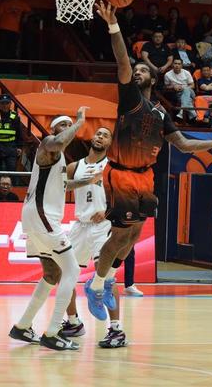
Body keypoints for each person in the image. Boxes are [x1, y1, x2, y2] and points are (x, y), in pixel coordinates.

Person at [84, 2, 212, 344]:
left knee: (133, 237)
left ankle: (108, 277)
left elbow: (182, 144)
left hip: (145, 177)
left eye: (142, 71)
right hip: (122, 174)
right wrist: (113, 26)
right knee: (119, 236)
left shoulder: (160, 113)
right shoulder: (129, 98)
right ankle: (97, 284)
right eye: (135, 70)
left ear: (154, 78)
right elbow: (122, 60)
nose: (136, 72)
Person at [9, 109, 90, 351]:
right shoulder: (48, 143)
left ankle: (22, 326)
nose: (67, 127)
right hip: (42, 216)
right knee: (72, 270)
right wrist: (79, 122)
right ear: (53, 129)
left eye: (69, 124)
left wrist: (88, 181)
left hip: (37, 217)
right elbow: (61, 141)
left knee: (52, 274)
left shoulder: (58, 158)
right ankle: (54, 331)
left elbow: (64, 185)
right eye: (62, 124)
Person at [60, 127, 122, 343]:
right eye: (98, 133)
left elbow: (125, 196)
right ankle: (73, 322)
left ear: (110, 143)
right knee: (65, 273)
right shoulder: (74, 166)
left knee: (106, 277)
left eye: (105, 135)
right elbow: (60, 186)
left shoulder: (113, 166)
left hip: (103, 225)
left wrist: (108, 211)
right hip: (80, 225)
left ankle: (116, 329)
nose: (100, 137)